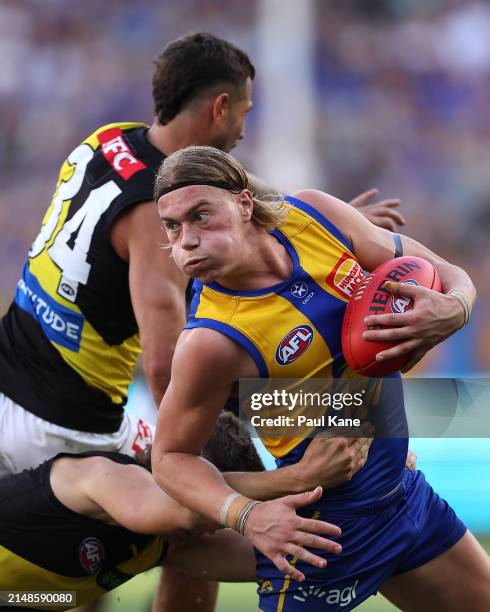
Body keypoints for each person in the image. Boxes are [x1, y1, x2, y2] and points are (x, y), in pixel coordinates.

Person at [0, 32, 403, 611]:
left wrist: (322, 223)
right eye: (243, 110)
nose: (243, 127)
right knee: (198, 498)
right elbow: (164, 365)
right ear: (220, 107)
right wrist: (228, 440)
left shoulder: (109, 140)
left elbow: (236, 190)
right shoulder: (153, 219)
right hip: (67, 426)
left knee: (66, 575)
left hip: (11, 375)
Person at [150, 145, 489, 612]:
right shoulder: (210, 341)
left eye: (201, 216)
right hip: (324, 532)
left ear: (245, 204)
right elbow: (168, 459)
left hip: (406, 498)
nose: (185, 241)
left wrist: (457, 307)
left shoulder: (316, 217)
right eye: (172, 227)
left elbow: (443, 272)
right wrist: (248, 517)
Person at [0, 412, 353, 611]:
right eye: (214, 513)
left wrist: (374, 474)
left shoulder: (172, 542)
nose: (214, 528)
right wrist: (300, 478)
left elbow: (308, 555)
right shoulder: (105, 477)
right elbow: (186, 509)